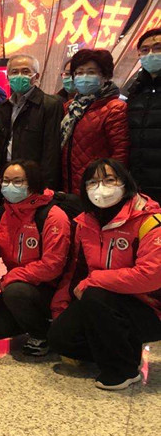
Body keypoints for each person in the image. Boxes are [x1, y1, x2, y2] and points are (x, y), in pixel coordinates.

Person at [48, 159, 161, 390]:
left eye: (109, 180)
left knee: (96, 295)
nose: (101, 187)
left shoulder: (149, 220)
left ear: (125, 182)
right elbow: (75, 271)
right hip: (102, 302)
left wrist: (95, 280)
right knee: (60, 338)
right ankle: (124, 350)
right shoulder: (85, 222)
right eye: (93, 182)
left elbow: (151, 276)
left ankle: (124, 370)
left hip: (149, 307)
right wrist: (60, 308)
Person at [0, 160, 71, 356]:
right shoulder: (3, 212)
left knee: (15, 292)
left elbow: (52, 266)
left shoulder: (52, 216)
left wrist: (12, 277)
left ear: (32, 183)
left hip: (50, 287)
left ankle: (42, 334)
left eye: (18, 181)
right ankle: (30, 319)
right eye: (6, 181)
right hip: (18, 284)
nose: (10, 186)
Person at [60, 49, 129, 194]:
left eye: (91, 72)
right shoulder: (70, 107)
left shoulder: (115, 108)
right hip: (69, 185)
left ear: (105, 76)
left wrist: (110, 185)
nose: (84, 77)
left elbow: (120, 153)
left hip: (98, 186)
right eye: (79, 73)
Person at [0, 54, 63, 192]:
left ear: (36, 76)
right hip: (7, 177)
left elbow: (51, 151)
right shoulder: (3, 107)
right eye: (14, 72)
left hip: (34, 180)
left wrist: (46, 187)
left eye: (25, 71)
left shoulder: (50, 105)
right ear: (8, 77)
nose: (19, 76)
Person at [126, 28, 161, 203]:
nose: (151, 54)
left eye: (158, 48)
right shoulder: (135, 90)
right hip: (139, 183)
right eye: (145, 50)